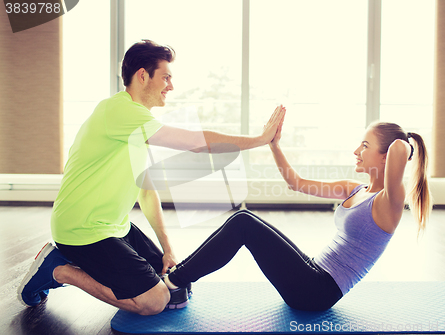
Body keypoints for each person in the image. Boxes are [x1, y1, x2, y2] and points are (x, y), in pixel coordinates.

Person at [17, 39, 285, 316]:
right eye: (166, 77)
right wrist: (259, 139)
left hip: (115, 227)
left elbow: (146, 191)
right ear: (143, 75)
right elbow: (195, 142)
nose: (171, 86)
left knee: (176, 285)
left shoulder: (137, 123)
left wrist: (167, 248)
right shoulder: (119, 111)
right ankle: (60, 269)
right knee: (155, 301)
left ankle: (87, 264)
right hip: (82, 230)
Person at [161, 121, 432, 311]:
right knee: (246, 221)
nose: (356, 152)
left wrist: (404, 141)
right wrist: (273, 144)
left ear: (386, 157)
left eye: (364, 145)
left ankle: (175, 281)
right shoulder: (355, 189)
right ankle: (180, 279)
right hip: (314, 272)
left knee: (243, 223)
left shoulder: (390, 201)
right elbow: (296, 183)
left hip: (317, 292)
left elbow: (398, 149)